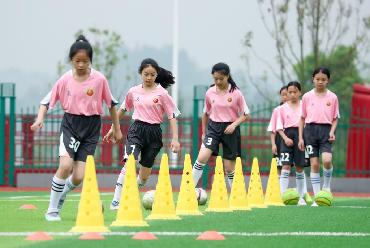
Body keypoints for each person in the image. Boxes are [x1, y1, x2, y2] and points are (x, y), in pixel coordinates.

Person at [30, 35, 122, 221]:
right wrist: (40, 119)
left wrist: (117, 128)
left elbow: (111, 104)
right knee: (65, 166)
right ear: (71, 60)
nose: (80, 65)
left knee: (79, 176)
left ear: (91, 61)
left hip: (91, 127)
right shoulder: (65, 80)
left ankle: (61, 193)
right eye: (77, 61)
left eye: (85, 61)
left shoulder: (99, 79)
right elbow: (45, 102)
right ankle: (52, 210)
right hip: (71, 125)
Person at [104, 58, 181, 210]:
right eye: (146, 74)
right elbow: (123, 109)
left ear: (156, 75)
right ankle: (116, 200)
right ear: (141, 73)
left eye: (152, 75)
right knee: (130, 161)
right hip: (137, 130)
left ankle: (132, 191)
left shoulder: (162, 94)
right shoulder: (133, 91)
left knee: (144, 176)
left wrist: (175, 139)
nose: (149, 77)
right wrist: (113, 128)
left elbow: (172, 116)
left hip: (154, 133)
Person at [191, 62, 250, 189]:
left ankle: (236, 196)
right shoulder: (210, 92)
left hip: (230, 129)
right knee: (202, 157)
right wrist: (204, 133)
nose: (218, 81)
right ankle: (188, 189)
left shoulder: (236, 93)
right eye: (215, 78)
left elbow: (246, 114)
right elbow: (205, 113)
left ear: (227, 76)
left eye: (221, 79)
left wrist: (234, 125)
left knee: (229, 168)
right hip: (213, 128)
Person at [298, 67, 339, 207]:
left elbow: (335, 118)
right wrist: (301, 138)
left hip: (326, 131)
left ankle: (326, 187)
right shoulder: (306, 97)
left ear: (328, 80)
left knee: (327, 160)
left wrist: (332, 131)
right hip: (309, 131)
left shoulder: (333, 97)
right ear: (313, 79)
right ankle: (317, 197)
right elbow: (302, 118)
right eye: (317, 79)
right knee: (314, 164)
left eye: (323, 79)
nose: (320, 82)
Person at [276, 81, 310, 205]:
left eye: (295, 92)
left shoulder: (304, 106)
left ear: (300, 92)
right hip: (287, 137)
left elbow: (308, 122)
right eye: (290, 92)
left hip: (301, 137)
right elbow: (279, 127)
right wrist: (285, 138)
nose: (292, 94)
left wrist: (303, 138)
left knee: (300, 168)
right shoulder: (281, 108)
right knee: (285, 167)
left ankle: (301, 197)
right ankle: (282, 196)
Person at [267, 86, 288, 173]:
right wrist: (273, 144)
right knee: (279, 165)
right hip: (279, 140)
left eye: (287, 94)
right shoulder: (277, 110)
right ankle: (279, 185)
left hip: (293, 138)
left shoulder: (298, 108)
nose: (285, 97)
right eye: (283, 95)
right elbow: (273, 130)